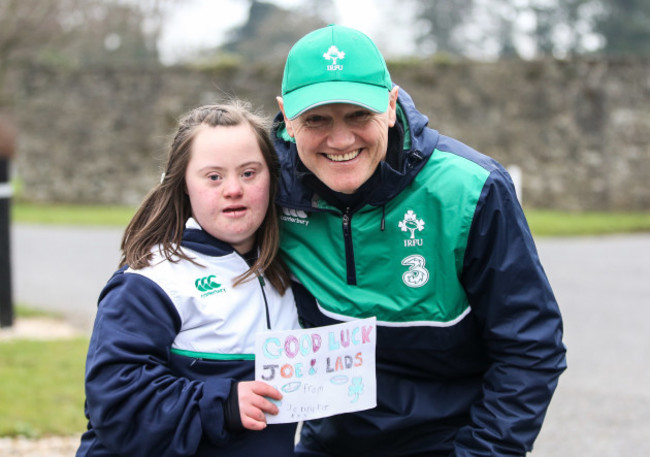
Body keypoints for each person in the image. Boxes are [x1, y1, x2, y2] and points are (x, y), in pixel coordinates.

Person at [272, 25, 567, 457]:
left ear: (391, 105)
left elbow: (529, 346)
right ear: (287, 118)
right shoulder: (260, 183)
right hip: (328, 443)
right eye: (316, 119)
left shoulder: (471, 189)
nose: (340, 139)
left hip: (452, 442)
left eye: (358, 115)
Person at [76, 101, 301, 457]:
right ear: (183, 183)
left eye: (249, 173)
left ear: (273, 177)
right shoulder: (150, 281)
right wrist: (223, 404)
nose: (233, 189)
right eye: (214, 176)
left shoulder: (294, 270)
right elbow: (116, 404)